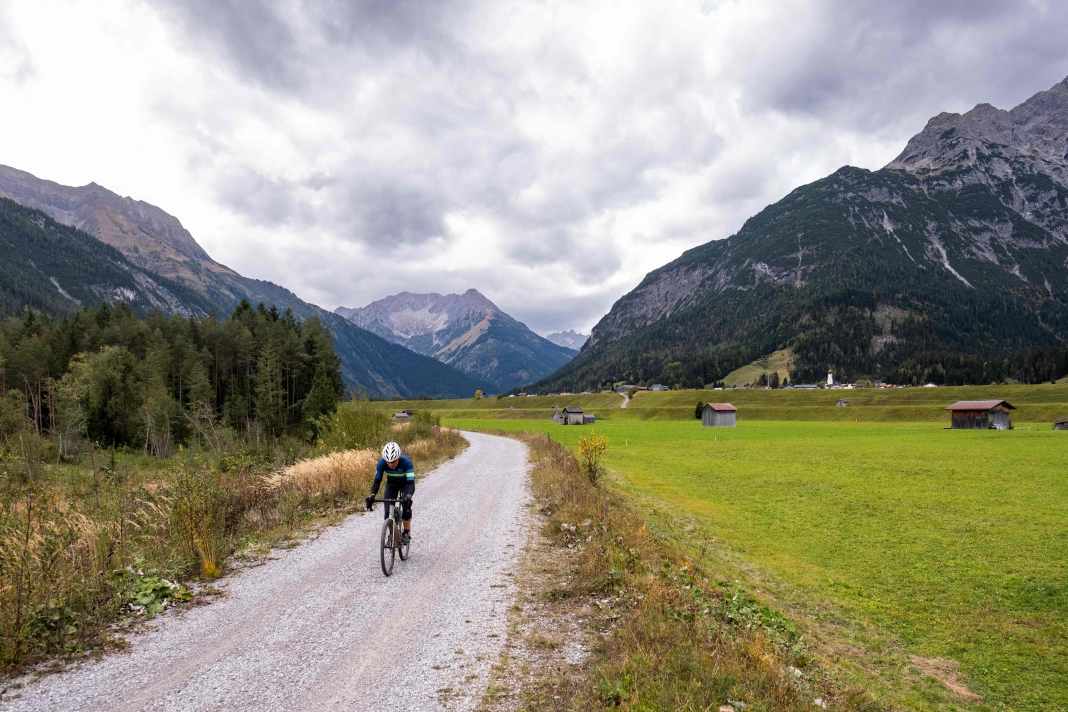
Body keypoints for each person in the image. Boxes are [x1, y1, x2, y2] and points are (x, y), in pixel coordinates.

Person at [365, 441, 415, 543]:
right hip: (392, 484)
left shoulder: (407, 462)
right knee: (387, 513)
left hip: (406, 484)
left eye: (393, 461)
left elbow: (411, 483)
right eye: (388, 462)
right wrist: (372, 495)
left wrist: (408, 496)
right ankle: (393, 535)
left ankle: (406, 532)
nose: (390, 464)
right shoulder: (381, 463)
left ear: (398, 458)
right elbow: (377, 481)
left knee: (406, 507)